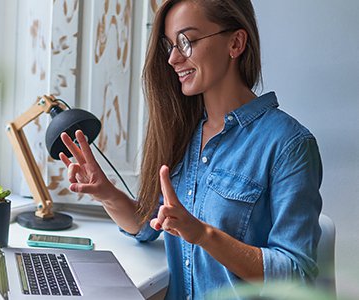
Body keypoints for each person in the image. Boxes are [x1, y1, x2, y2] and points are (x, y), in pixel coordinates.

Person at [59, 0, 323, 299]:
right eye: (169, 45)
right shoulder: (183, 133)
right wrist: (104, 190)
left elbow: (296, 274)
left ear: (235, 43)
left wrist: (203, 235)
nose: (173, 58)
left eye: (186, 41)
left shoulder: (289, 145)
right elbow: (145, 227)